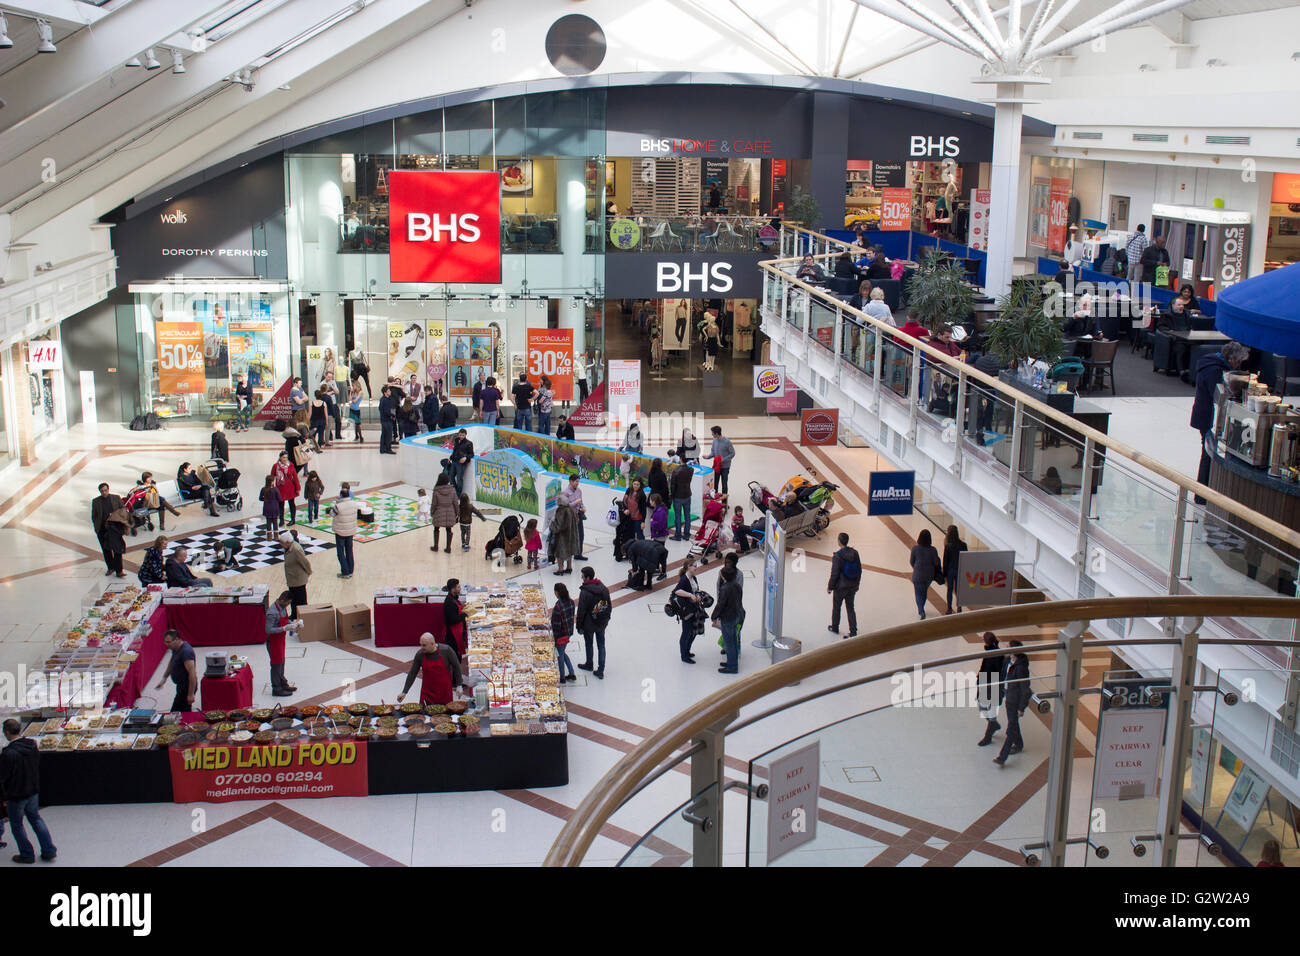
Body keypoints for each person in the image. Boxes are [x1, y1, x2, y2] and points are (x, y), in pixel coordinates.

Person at [1191, 342, 1250, 493]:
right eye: (1238, 361)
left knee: (1208, 450)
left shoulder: (1211, 362)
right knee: (1208, 452)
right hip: (1208, 417)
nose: (1238, 364)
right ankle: (1202, 492)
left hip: (1203, 414)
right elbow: (1219, 397)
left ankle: (1203, 490)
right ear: (1231, 358)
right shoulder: (1214, 370)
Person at [2, 717, 57, 864]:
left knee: (16, 824)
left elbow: (4, 777)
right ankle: (49, 850)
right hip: (33, 791)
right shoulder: (32, 745)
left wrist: (4, 797)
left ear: (6, 732)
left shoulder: (8, 753)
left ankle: (26, 854)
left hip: (16, 794)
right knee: (36, 819)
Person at [396, 632, 468, 706]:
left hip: (444, 692)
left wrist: (459, 685)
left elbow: (456, 666)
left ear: (433, 644)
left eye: (424, 645)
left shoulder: (446, 650)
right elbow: (412, 673)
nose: (421, 647)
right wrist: (404, 692)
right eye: (421, 644)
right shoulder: (420, 654)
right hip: (427, 694)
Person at [993, 641, 1029, 766]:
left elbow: (1025, 689)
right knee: (1013, 724)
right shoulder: (1007, 661)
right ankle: (1019, 744)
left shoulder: (1021, 669)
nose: (1006, 648)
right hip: (1009, 698)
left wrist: (1021, 708)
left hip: (1015, 701)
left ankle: (1002, 757)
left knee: (1011, 728)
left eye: (1008, 647)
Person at [575, 567, 611, 679]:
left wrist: (579, 625)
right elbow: (609, 605)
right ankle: (601, 670)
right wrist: (606, 618)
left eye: (582, 576)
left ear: (588, 577)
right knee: (601, 645)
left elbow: (581, 611)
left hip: (589, 624)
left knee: (589, 643)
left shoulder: (585, 592)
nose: (581, 578)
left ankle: (589, 663)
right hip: (601, 622)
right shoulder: (603, 588)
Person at [827, 531, 861, 637]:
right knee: (850, 608)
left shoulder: (838, 556)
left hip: (840, 587)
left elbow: (835, 573)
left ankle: (835, 627)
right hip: (852, 586)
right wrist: (857, 584)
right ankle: (853, 631)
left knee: (837, 607)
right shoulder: (855, 553)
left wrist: (830, 587)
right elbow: (859, 570)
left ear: (839, 542)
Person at [265, 590, 299, 697]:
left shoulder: (282, 608)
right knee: (276, 665)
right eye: (288, 603)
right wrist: (284, 628)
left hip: (280, 640)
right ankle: (276, 688)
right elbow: (268, 629)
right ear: (282, 600)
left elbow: (284, 620)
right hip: (273, 642)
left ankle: (283, 683)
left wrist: (293, 623)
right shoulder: (272, 612)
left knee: (281, 662)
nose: (288, 605)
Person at [154, 628, 197, 713]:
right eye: (165, 642)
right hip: (181, 685)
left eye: (169, 642)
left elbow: (192, 675)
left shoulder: (186, 652)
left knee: (176, 712)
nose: (166, 644)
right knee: (184, 710)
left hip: (187, 687)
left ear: (176, 639)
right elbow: (172, 662)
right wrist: (164, 679)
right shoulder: (175, 648)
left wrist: (190, 694)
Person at [976, 632, 1005, 747]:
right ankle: (994, 724)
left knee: (991, 710)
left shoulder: (996, 654)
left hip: (992, 684)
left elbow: (998, 672)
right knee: (983, 708)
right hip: (985, 682)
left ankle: (988, 736)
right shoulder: (989, 651)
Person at [91, 483, 127, 577]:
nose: (104, 492)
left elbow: (123, 509)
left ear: (108, 489)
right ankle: (111, 567)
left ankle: (119, 570)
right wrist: (97, 527)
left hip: (115, 529)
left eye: (105, 490)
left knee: (117, 549)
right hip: (103, 529)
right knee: (106, 550)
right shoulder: (96, 501)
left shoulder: (116, 498)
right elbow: (94, 516)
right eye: (102, 491)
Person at [673, 561, 705, 663]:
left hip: (694, 608)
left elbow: (696, 590)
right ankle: (684, 655)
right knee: (687, 632)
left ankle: (687, 650)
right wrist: (690, 595)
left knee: (693, 631)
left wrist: (697, 595)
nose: (696, 568)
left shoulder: (693, 578)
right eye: (694, 566)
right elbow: (677, 591)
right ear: (688, 567)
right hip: (687, 611)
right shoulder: (684, 579)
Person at [713, 564, 743, 674]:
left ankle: (732, 666)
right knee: (733, 640)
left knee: (729, 642)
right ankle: (732, 662)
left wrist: (714, 616)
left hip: (727, 618)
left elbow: (721, 604)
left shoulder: (725, 588)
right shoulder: (737, 585)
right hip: (735, 615)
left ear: (723, 576)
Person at [909, 529, 941, 620]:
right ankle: (921, 607)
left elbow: (911, 561)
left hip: (918, 575)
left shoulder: (915, 549)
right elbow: (936, 563)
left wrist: (916, 568)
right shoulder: (933, 550)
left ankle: (921, 610)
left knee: (918, 593)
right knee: (924, 592)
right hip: (929, 576)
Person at [280, 531, 312, 615]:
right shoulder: (289, 548)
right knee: (293, 600)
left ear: (287, 542)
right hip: (293, 579)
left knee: (300, 601)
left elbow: (305, 562)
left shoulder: (296, 549)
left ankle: (302, 617)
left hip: (298, 580)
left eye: (282, 543)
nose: (281, 544)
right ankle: (294, 615)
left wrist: (308, 572)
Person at [331, 483, 358, 578]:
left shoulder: (338, 506)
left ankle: (345, 572)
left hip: (340, 532)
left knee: (340, 553)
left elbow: (332, 513)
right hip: (350, 531)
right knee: (349, 551)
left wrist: (337, 502)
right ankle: (351, 570)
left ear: (341, 496)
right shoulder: (354, 504)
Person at [551, 582, 577, 683]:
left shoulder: (558, 607)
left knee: (560, 655)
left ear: (557, 593)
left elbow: (556, 625)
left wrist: (554, 638)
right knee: (562, 652)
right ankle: (571, 672)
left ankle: (562, 677)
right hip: (568, 632)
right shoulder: (571, 602)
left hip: (560, 635)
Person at [559, 473, 587, 560]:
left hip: (578, 515)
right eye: (576, 481)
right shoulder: (565, 493)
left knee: (580, 535)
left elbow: (581, 502)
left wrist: (582, 507)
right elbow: (565, 505)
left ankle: (578, 554)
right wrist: (575, 502)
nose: (577, 483)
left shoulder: (579, 491)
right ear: (571, 481)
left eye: (578, 481)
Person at [429, 473, 459, 553]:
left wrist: (432, 512)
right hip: (450, 512)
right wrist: (457, 513)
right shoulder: (452, 489)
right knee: (449, 529)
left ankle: (436, 546)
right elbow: (455, 503)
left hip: (439, 512)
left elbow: (434, 503)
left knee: (436, 528)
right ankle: (448, 548)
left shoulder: (436, 490)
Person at [942, 524, 968, 614]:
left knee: (949, 589)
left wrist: (944, 573)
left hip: (950, 570)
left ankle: (949, 607)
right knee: (958, 589)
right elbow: (965, 558)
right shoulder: (963, 545)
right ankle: (959, 606)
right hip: (959, 570)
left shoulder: (948, 546)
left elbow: (945, 560)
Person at [551, 496, 578, 575]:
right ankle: (569, 568)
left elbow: (559, 526)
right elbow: (577, 520)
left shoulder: (561, 511)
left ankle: (560, 569)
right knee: (569, 551)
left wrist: (552, 524)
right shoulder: (570, 509)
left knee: (559, 553)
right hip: (571, 535)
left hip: (562, 537)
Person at [272, 451, 301, 525]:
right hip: (280, 488)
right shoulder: (275, 466)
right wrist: (271, 487)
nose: (285, 459)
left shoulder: (290, 465)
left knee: (291, 504)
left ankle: (293, 519)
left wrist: (297, 488)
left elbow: (295, 477)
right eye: (283, 457)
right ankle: (281, 520)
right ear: (280, 457)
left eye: (286, 457)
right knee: (280, 505)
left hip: (290, 488)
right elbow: (272, 477)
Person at [442, 578, 468, 657]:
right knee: (455, 656)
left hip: (458, 631)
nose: (460, 589)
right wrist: (465, 614)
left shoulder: (454, 598)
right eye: (458, 587)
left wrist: (463, 607)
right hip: (452, 635)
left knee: (457, 655)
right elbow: (454, 619)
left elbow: (456, 610)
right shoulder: (449, 602)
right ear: (453, 589)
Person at [669, 457, 694, 540]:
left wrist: (672, 495)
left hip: (678, 496)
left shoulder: (676, 471)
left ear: (680, 459)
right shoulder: (691, 470)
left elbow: (673, 485)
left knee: (678, 516)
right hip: (687, 494)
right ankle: (687, 534)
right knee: (687, 516)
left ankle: (678, 535)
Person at [708, 425, 735, 494]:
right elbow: (713, 452)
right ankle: (715, 501)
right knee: (715, 484)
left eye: (712, 433)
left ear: (716, 434)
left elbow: (733, 453)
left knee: (724, 485)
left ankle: (724, 502)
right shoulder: (714, 441)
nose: (712, 434)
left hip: (725, 467)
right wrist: (707, 457)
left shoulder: (727, 442)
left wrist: (724, 459)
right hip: (717, 466)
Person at [450, 429, 475, 495]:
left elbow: (471, 454)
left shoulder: (469, 443)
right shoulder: (456, 440)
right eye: (460, 435)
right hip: (454, 460)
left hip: (461, 463)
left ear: (465, 435)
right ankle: (454, 491)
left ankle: (458, 494)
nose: (461, 436)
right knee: (451, 476)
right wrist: (450, 457)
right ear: (458, 434)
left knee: (459, 478)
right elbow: (455, 450)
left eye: (463, 435)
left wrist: (465, 458)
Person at [258, 474, 282, 541]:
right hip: (274, 507)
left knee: (268, 522)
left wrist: (265, 499)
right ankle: (276, 536)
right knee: (275, 522)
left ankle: (269, 537)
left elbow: (260, 498)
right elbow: (280, 499)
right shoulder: (275, 489)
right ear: (271, 482)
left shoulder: (263, 489)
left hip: (267, 508)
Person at [321, 370, 342, 441]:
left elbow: (337, 392)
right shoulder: (322, 384)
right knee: (328, 421)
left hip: (334, 403)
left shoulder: (333, 382)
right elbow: (323, 395)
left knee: (338, 419)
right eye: (328, 377)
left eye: (331, 377)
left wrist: (332, 387)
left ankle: (338, 435)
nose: (330, 378)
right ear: (325, 376)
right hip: (327, 405)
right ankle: (329, 436)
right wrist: (332, 392)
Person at [378, 385, 397, 454]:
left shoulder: (382, 399)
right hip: (387, 420)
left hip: (383, 419)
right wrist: (392, 415)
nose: (390, 392)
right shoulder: (386, 400)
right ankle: (388, 449)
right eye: (389, 391)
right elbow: (386, 411)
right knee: (388, 434)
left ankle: (382, 449)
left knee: (384, 434)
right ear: (385, 393)